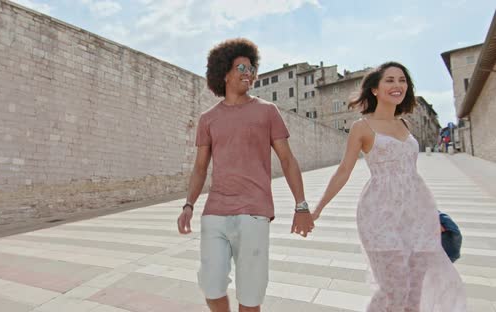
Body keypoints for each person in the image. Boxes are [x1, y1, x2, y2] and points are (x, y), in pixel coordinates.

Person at [310, 62, 466, 311]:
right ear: (374, 89)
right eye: (390, 80)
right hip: (378, 214)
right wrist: (316, 210)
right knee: (394, 289)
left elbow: (411, 177)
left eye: (402, 80)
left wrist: (430, 216)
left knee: (415, 291)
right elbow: (343, 171)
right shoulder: (362, 127)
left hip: (414, 213)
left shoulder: (405, 125)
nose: (398, 85)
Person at [176, 38, 314, 312]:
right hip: (215, 212)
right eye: (241, 68)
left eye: (251, 68)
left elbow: (287, 159)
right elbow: (201, 167)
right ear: (224, 73)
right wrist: (188, 205)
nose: (248, 73)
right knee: (210, 285)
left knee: (251, 295)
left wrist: (302, 205)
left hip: (254, 213)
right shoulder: (208, 119)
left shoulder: (267, 111)